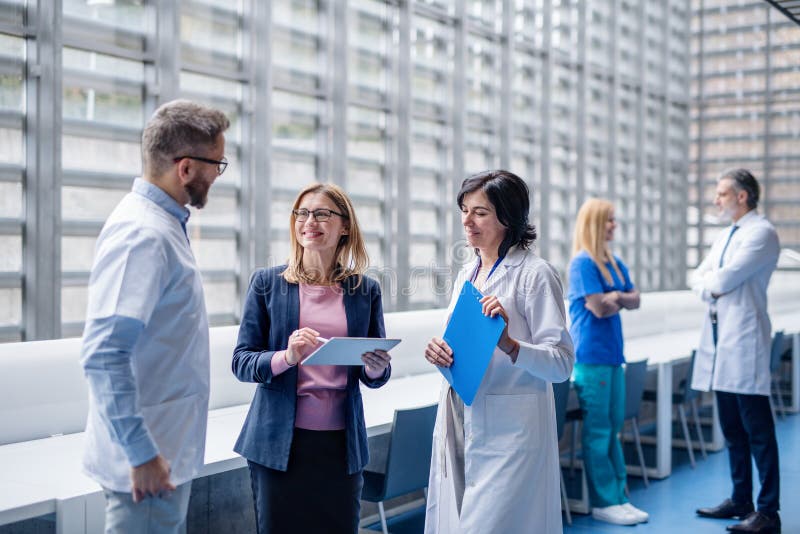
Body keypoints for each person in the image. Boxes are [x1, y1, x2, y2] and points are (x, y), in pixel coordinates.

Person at [80, 100, 230, 533]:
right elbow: (104, 355)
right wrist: (141, 453)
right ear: (185, 168)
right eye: (216, 165)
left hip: (162, 457)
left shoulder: (162, 226)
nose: (217, 176)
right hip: (147, 468)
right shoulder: (143, 234)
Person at [231, 182, 392, 534]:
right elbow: (241, 361)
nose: (309, 221)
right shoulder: (267, 283)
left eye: (321, 213)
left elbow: (376, 374)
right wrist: (287, 356)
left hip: (340, 447)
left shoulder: (365, 290)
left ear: (345, 225)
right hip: (277, 445)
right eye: (302, 213)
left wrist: (375, 367)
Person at [423, 170, 574, 533]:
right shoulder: (467, 274)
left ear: (508, 217)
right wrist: (438, 351)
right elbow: (459, 343)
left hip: (512, 429)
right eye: (464, 210)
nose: (467, 221)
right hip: (461, 414)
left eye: (480, 212)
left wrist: (510, 344)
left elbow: (562, 364)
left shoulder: (535, 275)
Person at [692, 169, 781, 534]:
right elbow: (698, 278)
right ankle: (740, 499)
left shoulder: (762, 233)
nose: (717, 200)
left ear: (742, 197)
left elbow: (723, 280)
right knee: (731, 426)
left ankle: (768, 511)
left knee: (757, 428)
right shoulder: (727, 235)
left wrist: (712, 284)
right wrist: (710, 286)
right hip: (720, 340)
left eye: (722, 194)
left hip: (744, 340)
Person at [567, 198, 647, 526]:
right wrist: (616, 299)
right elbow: (599, 308)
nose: (615, 226)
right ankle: (603, 501)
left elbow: (636, 299)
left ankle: (619, 496)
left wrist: (615, 298)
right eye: (610, 221)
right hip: (591, 359)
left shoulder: (612, 262)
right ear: (596, 224)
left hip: (613, 357)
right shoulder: (582, 264)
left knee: (614, 428)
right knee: (599, 430)